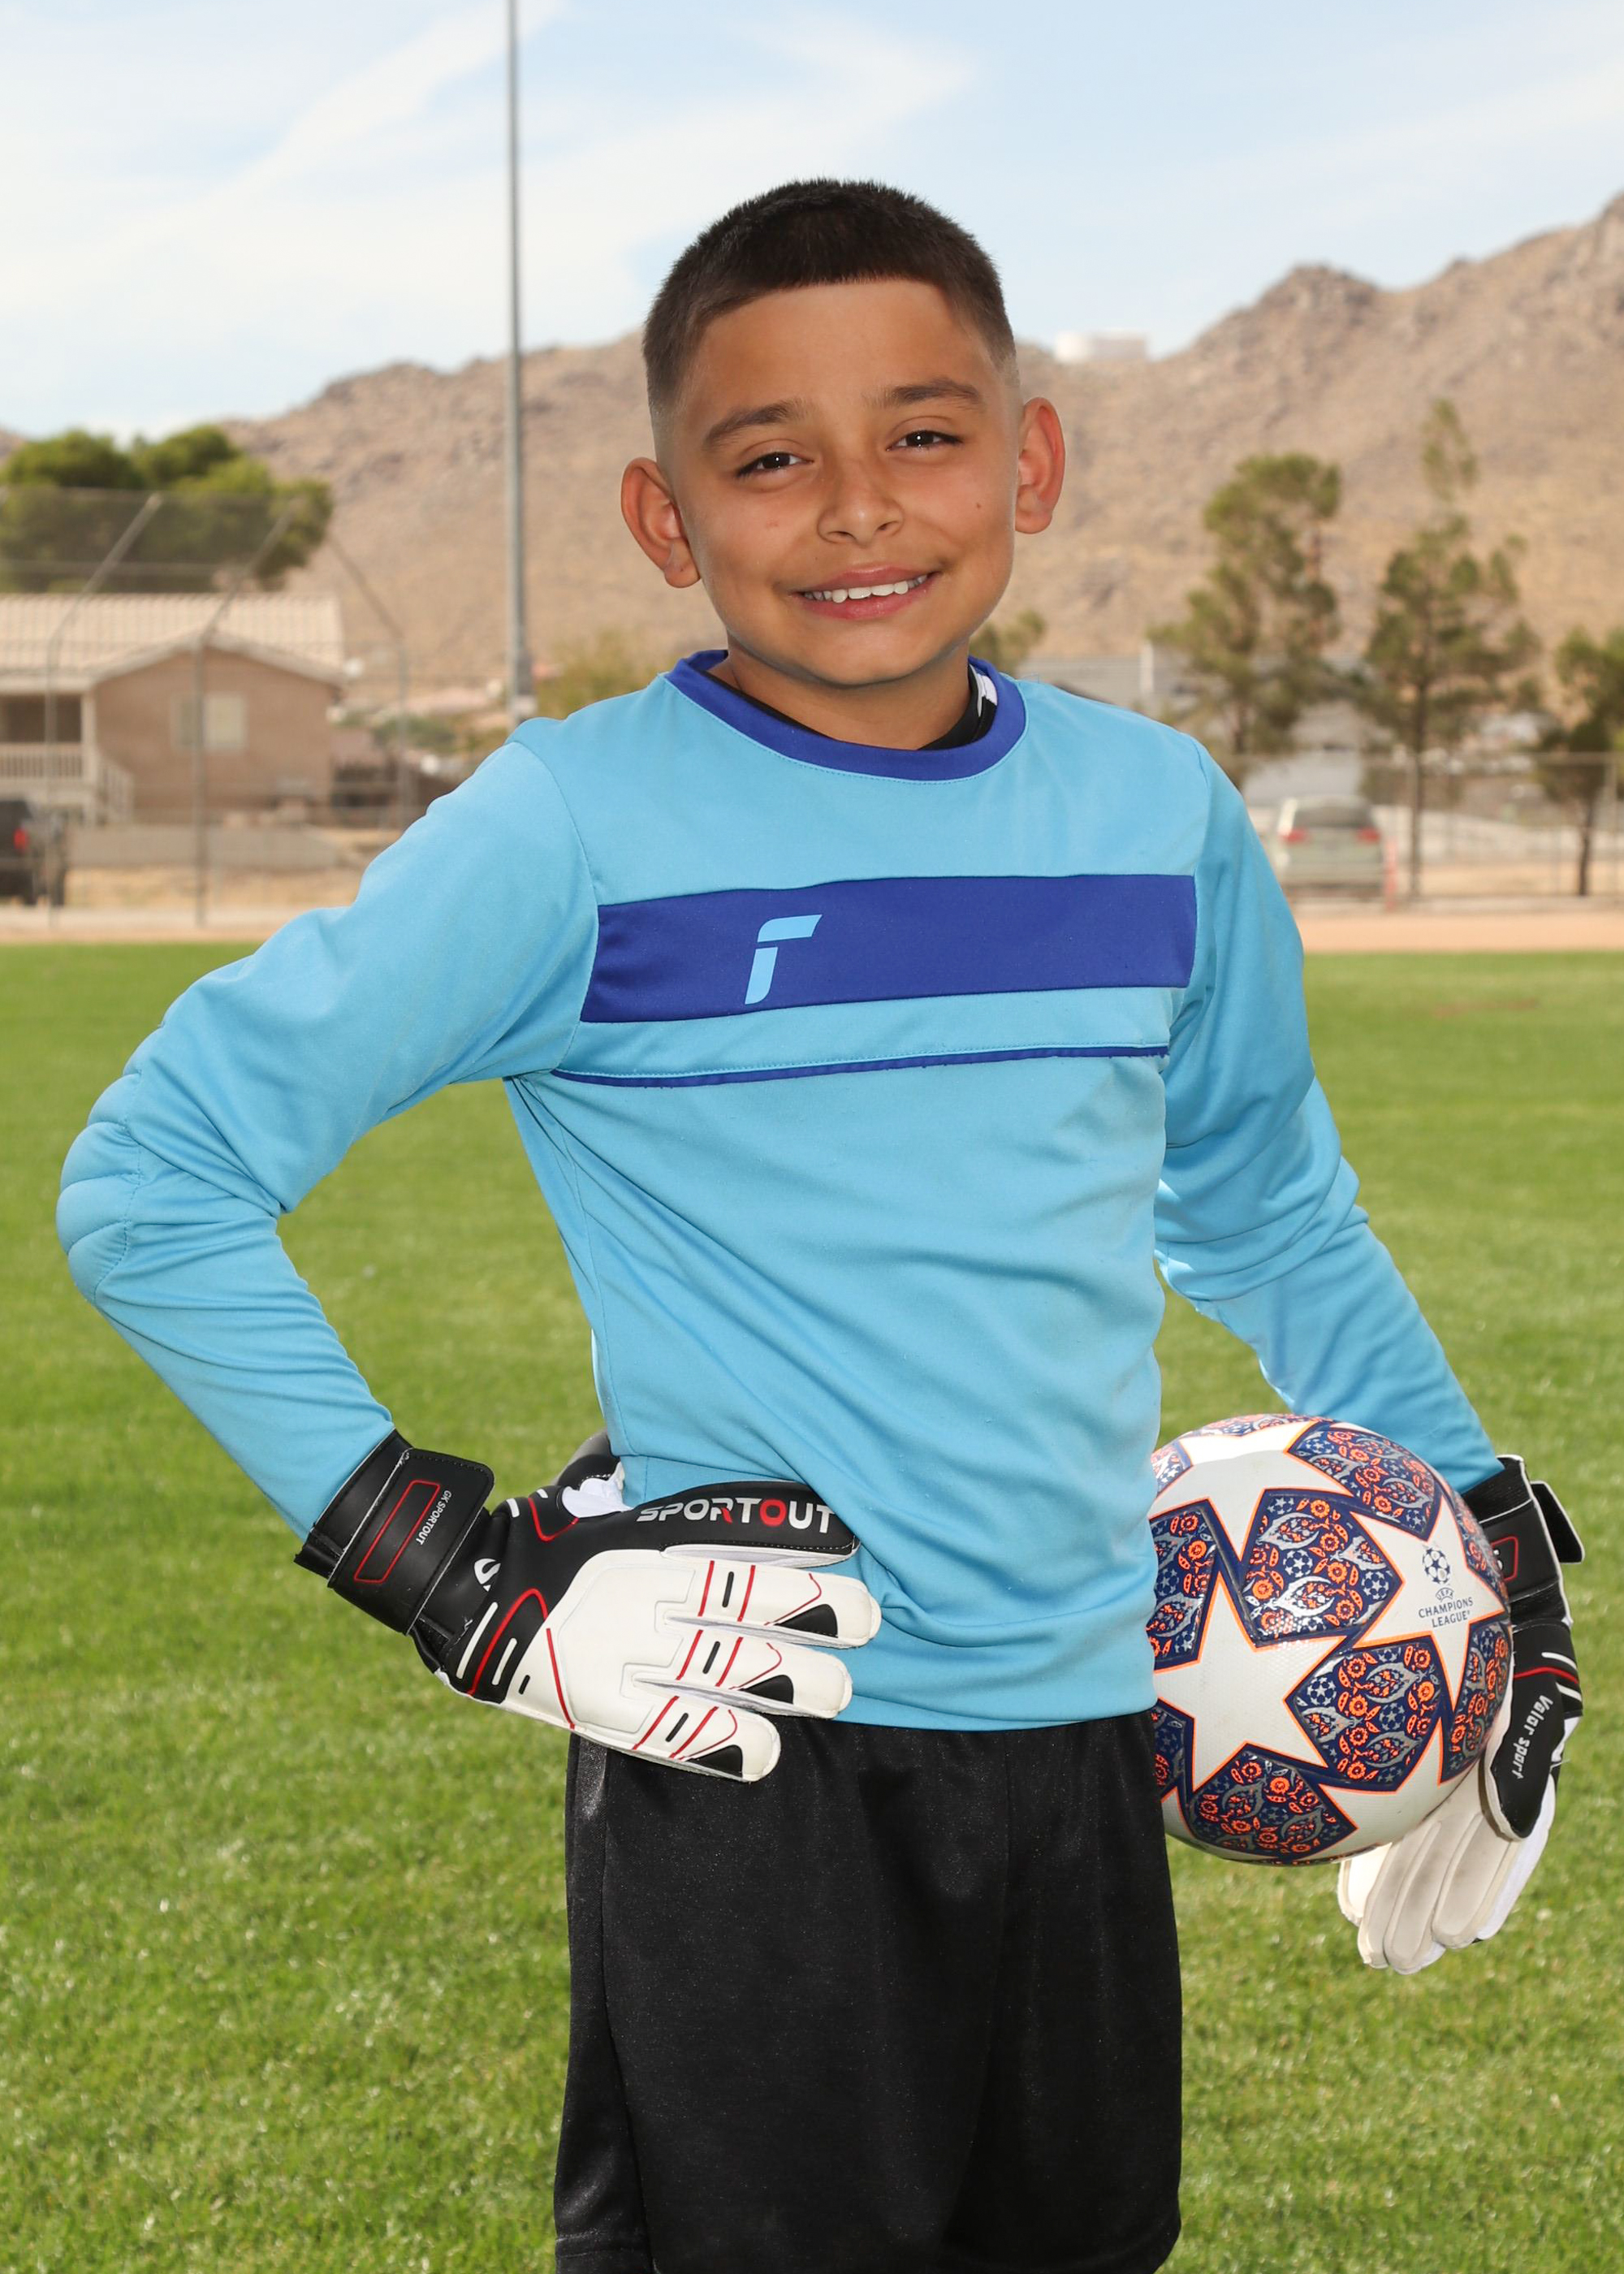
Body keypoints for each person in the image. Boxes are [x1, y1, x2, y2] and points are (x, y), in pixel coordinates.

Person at [58, 179, 1581, 2274]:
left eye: (924, 435)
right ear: (664, 516)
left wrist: (1492, 1555)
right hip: (757, 1749)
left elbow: (1268, 1212)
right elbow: (153, 1177)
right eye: (769, 457)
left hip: (1092, 1738)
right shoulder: (576, 827)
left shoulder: (1159, 819)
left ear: (1031, 462)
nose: (859, 505)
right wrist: (463, 1581)